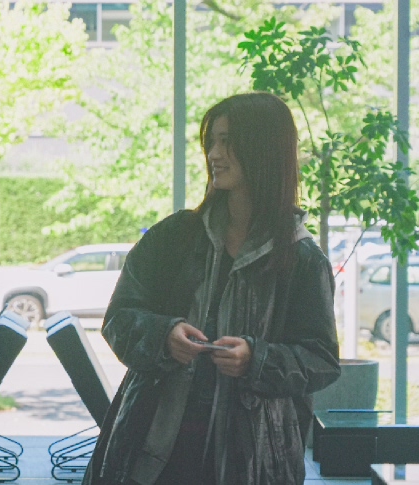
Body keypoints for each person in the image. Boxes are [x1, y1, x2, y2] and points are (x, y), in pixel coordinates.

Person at [84, 92, 341, 485]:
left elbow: (321, 359)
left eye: (227, 142)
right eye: (212, 142)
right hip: (155, 450)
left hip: (253, 461)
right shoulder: (175, 237)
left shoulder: (301, 259)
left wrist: (256, 358)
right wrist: (164, 335)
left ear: (264, 150)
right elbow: (119, 318)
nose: (214, 154)